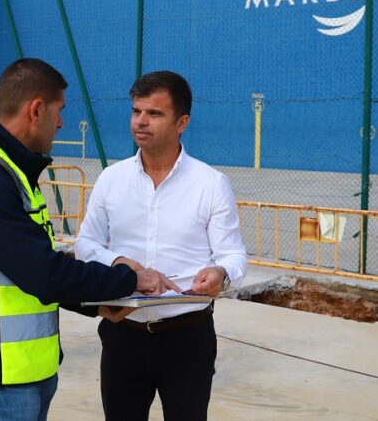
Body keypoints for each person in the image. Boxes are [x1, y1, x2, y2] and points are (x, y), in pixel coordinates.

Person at [0, 58, 178, 420]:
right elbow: (43, 273)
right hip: (3, 374)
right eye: (59, 111)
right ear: (37, 110)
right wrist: (132, 279)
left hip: (29, 367)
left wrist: (94, 304)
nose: (61, 123)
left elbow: (29, 266)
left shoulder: (12, 174)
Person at [75, 70, 248, 421]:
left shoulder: (210, 184)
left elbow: (232, 254)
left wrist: (221, 273)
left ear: (181, 122)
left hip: (187, 338)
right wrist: (124, 263)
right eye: (137, 111)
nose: (141, 121)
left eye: (154, 113)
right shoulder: (112, 180)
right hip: (122, 332)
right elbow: (86, 245)